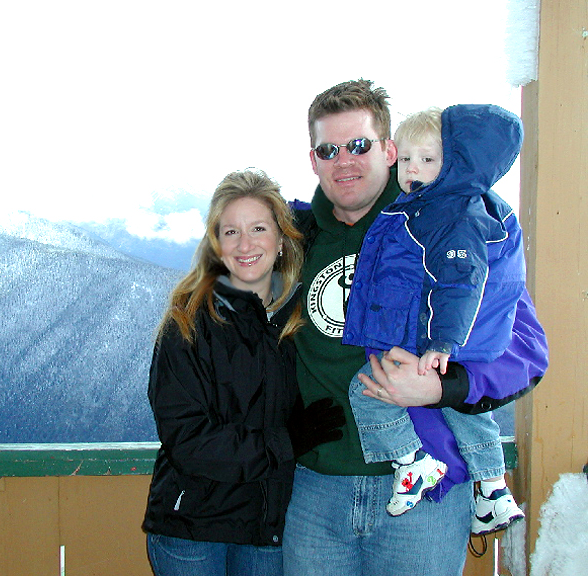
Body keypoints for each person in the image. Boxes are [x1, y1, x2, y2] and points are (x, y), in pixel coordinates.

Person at [282, 80, 549, 576]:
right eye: (329, 149)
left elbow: (527, 349)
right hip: (317, 488)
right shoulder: (293, 236)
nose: (345, 160)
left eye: (359, 145)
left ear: (389, 149)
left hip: (427, 488)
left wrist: (442, 386)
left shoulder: (447, 219)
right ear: (313, 159)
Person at [142, 169, 345, 576]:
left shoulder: (301, 320)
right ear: (216, 244)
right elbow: (188, 440)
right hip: (193, 531)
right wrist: (287, 442)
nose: (246, 244)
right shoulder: (188, 323)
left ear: (282, 239)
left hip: (268, 528)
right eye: (231, 232)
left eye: (258, 228)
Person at [343, 105, 526, 534]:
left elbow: (461, 280)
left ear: (453, 164)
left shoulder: (449, 215)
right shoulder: (445, 208)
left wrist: (442, 341)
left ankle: (413, 463)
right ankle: (493, 490)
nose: (413, 170)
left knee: (367, 388)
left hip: (441, 338)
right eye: (406, 159)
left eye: (428, 160)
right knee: (464, 408)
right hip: (465, 343)